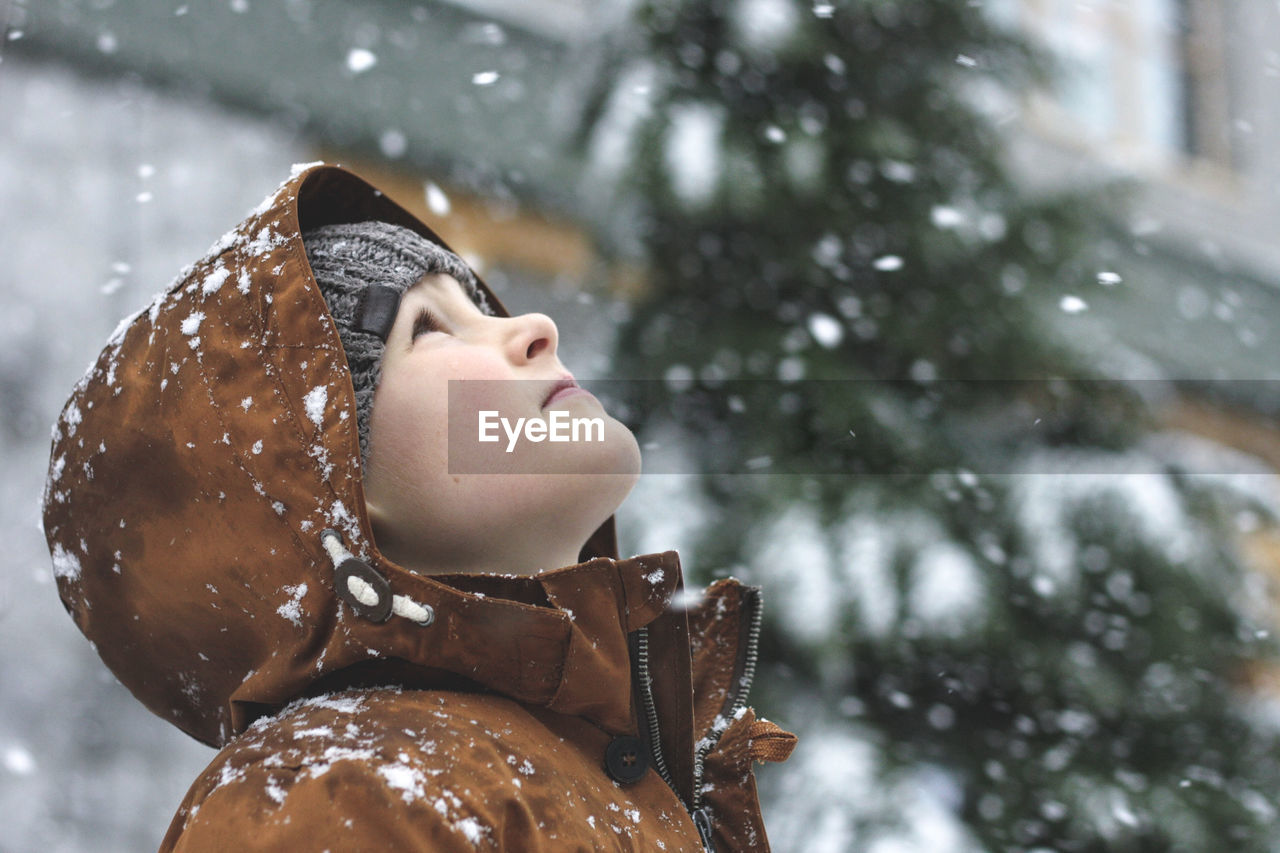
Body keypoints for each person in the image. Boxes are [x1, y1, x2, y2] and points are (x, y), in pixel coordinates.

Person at [40, 162, 796, 852]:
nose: (537, 329)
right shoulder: (338, 791)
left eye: (475, 304)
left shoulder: (608, 772)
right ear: (328, 486)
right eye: (429, 328)